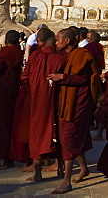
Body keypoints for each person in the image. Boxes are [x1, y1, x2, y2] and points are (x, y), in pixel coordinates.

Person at [48, 27, 101, 194]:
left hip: (77, 104)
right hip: (67, 102)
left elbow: (85, 79)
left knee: (68, 139)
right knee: (75, 137)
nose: (56, 42)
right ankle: (84, 168)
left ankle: (66, 181)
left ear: (67, 41)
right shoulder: (68, 56)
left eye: (58, 39)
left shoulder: (82, 55)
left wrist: (63, 77)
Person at [22, 27, 63, 183]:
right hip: (55, 100)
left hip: (36, 101)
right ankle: (60, 168)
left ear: (39, 41)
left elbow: (25, 76)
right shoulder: (61, 57)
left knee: (37, 134)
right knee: (57, 132)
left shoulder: (35, 56)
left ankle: (38, 173)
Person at [0, 30, 23, 170]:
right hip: (14, 89)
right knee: (9, 123)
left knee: (1, 125)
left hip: (3, 90)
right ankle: (8, 157)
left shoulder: (5, 53)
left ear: (6, 40)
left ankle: (2, 160)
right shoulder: (18, 52)